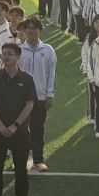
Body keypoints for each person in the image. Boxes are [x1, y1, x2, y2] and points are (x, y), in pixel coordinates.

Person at [0, 42, 37, 196]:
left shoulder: (27, 79)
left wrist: (14, 125)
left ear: (18, 56)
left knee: (21, 168)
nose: (6, 57)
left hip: (20, 132)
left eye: (10, 54)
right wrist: (0, 126)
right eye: (4, 53)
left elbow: (29, 105)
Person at [18, 17, 57, 173]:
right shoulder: (19, 50)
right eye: (29, 29)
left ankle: (38, 160)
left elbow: (51, 74)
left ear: (40, 31)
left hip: (40, 98)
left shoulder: (48, 50)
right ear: (25, 31)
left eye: (35, 29)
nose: (32, 32)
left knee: (37, 129)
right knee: (21, 130)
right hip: (21, 99)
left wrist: (50, 95)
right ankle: (20, 159)